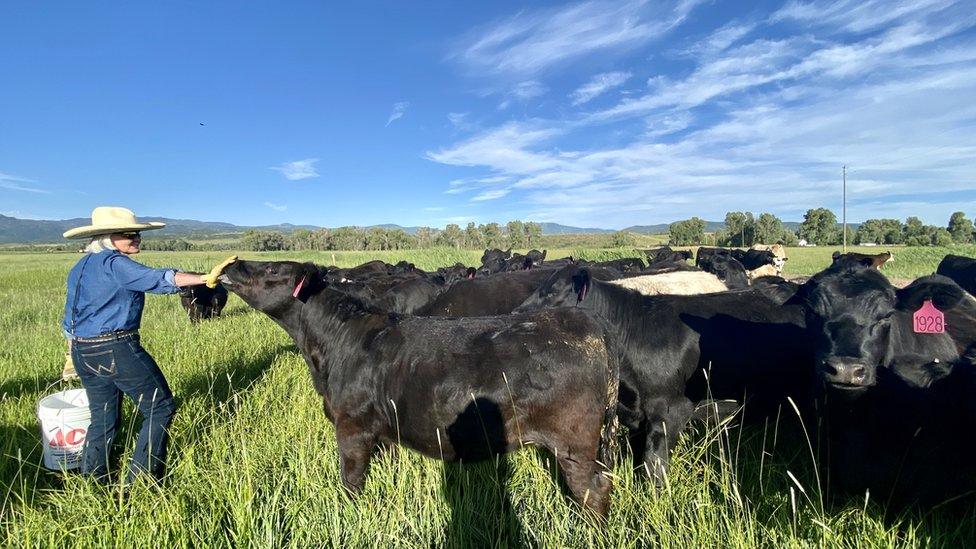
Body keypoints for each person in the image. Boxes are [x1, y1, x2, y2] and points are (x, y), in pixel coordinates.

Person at [61, 206, 235, 483]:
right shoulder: (114, 263)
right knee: (160, 407)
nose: (137, 238)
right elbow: (158, 279)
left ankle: (93, 481)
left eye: (137, 234)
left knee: (102, 418)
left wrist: (72, 351)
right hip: (115, 347)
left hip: (83, 351)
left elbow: (70, 313)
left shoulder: (80, 266)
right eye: (128, 234)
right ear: (107, 237)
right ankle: (141, 481)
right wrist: (204, 278)